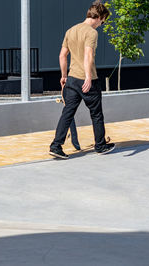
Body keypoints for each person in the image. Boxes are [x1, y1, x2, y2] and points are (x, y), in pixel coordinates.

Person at [49, 0, 115, 159]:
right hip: (87, 80)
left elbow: (62, 55)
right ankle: (100, 145)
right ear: (98, 17)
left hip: (71, 79)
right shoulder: (91, 32)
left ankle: (56, 146)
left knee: (68, 112)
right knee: (96, 113)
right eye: (103, 20)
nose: (102, 24)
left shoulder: (70, 30)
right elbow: (88, 55)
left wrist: (64, 76)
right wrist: (87, 77)